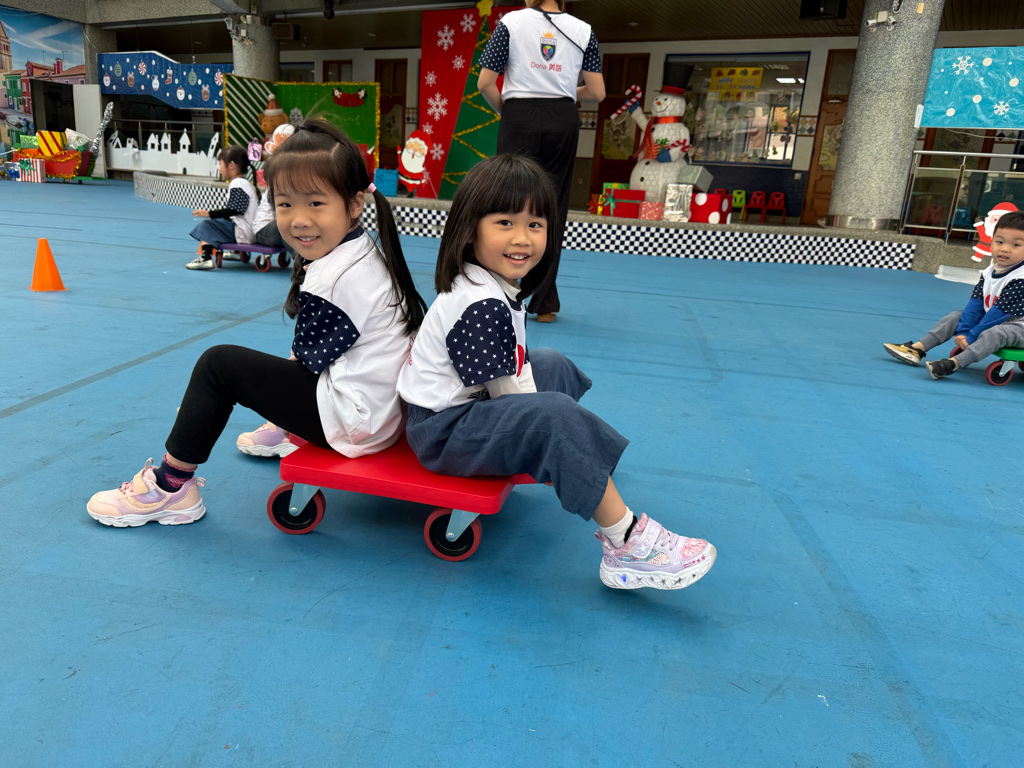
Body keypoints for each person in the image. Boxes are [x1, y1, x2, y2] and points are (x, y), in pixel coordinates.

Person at [396, 154, 716, 590]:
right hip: (443, 434)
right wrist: (553, 428)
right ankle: (626, 544)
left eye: (535, 224)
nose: (522, 238)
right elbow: (512, 397)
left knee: (551, 363)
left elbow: (514, 374)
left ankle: (581, 463)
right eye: (505, 223)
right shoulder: (479, 304)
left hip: (465, 410)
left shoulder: (491, 284)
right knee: (553, 417)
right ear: (470, 230)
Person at [87, 119, 427, 527]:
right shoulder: (360, 249)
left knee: (217, 367)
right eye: (285, 205)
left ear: (354, 205)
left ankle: (170, 488)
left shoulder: (335, 278)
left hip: (355, 423)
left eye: (315, 203)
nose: (298, 220)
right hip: (381, 412)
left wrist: (209, 403)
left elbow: (304, 366)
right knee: (267, 367)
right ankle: (284, 429)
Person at [478, 0, 605, 323]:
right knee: (553, 205)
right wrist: (564, 89)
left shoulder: (511, 22)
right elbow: (598, 92)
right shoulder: (585, 30)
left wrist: (507, 111)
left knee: (507, 200)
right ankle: (544, 300)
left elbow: (484, 83)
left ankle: (501, 288)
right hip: (563, 117)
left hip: (519, 114)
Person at [884, 211, 1024, 379]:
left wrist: (971, 337)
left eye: (1016, 245)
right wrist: (963, 331)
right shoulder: (990, 270)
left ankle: (954, 364)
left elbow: (998, 314)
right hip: (999, 321)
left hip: (1018, 327)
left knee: (996, 333)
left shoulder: (1021, 277)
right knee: (957, 316)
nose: (1005, 249)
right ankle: (917, 349)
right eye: (999, 242)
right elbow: (976, 302)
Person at [187, 146, 259, 270]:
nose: (219, 169)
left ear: (231, 165)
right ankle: (236, 252)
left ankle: (206, 257)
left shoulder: (238, 183)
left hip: (243, 233)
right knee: (223, 222)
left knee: (207, 226)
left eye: (220, 164)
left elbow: (236, 209)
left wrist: (209, 214)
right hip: (250, 232)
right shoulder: (246, 184)